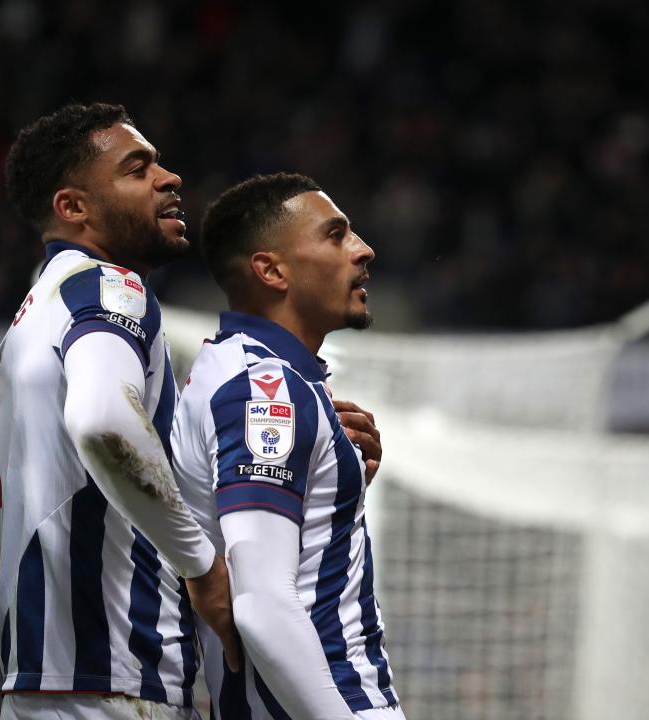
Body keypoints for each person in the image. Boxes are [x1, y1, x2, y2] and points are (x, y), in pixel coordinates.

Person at [0, 102, 242, 720]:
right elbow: (104, 420)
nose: (169, 177)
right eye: (137, 169)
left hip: (45, 681)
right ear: (72, 207)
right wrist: (202, 567)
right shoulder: (107, 286)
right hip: (114, 681)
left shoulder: (37, 311)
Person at [172, 173, 403, 719]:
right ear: (271, 269)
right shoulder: (263, 389)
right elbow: (261, 603)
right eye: (335, 235)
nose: (363, 250)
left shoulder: (247, 373)